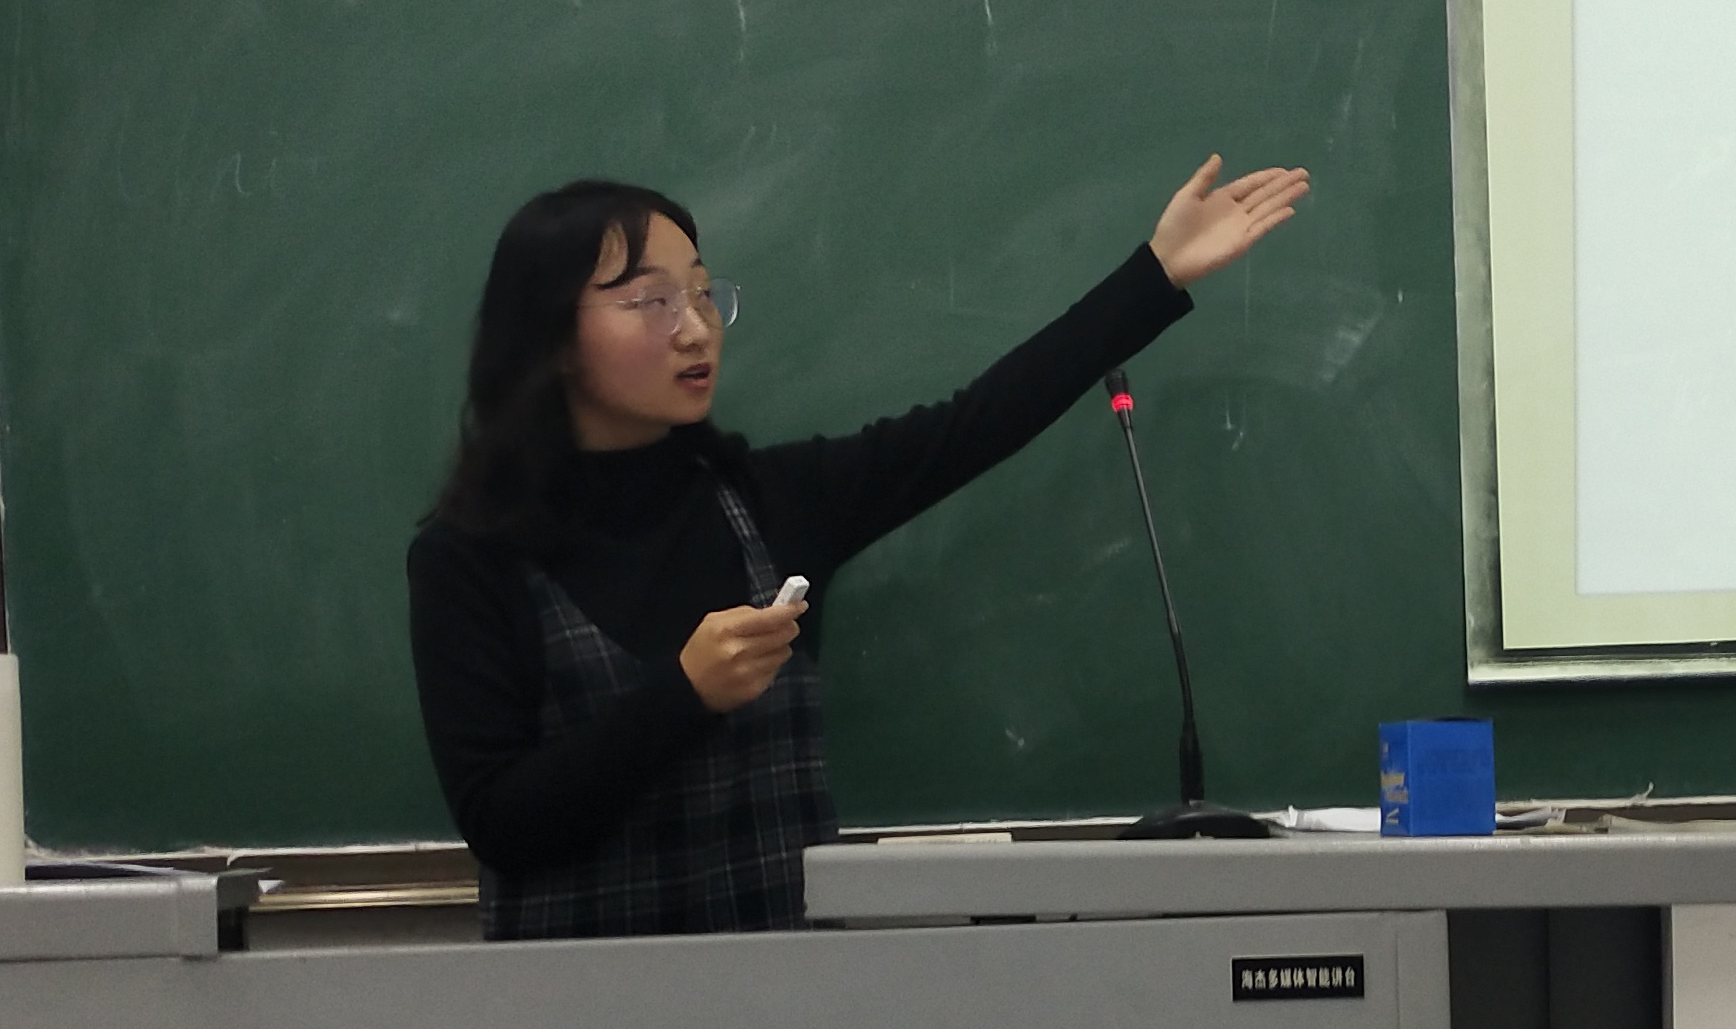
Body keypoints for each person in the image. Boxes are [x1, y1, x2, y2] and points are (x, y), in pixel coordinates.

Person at [408, 157, 1306, 938]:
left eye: (703, 293)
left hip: (795, 1011)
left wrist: (1156, 274)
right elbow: (502, 824)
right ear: (553, 337)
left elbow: (976, 423)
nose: (695, 326)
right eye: (651, 300)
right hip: (573, 1024)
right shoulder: (469, 559)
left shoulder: (772, 503)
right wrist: (685, 696)